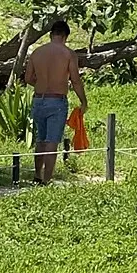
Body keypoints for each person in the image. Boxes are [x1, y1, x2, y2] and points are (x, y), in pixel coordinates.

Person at [22, 16, 86, 186]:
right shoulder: (68, 54)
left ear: (51, 35)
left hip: (39, 99)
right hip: (57, 101)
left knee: (41, 140)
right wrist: (83, 101)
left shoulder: (37, 52)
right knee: (52, 141)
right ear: (65, 36)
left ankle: (37, 175)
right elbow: (76, 80)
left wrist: (41, 84)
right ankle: (47, 179)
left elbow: (28, 78)